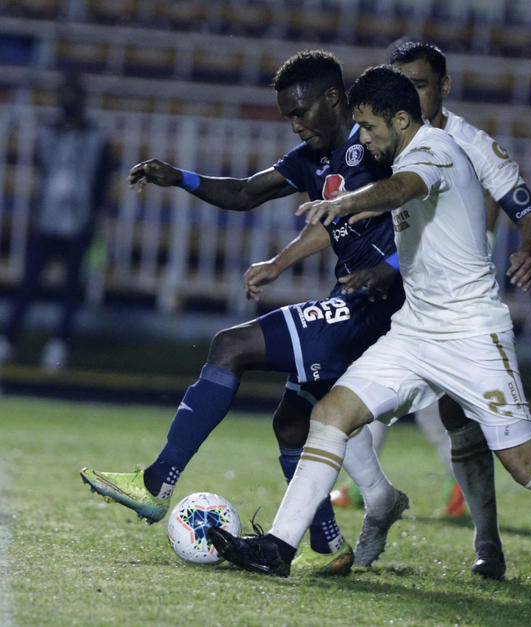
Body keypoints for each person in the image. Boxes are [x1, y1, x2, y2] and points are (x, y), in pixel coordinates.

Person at [207, 65, 531, 601]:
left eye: (369, 127)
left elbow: (406, 187)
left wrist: (346, 203)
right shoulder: (402, 150)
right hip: (415, 331)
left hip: (473, 334)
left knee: (529, 467)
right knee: (331, 413)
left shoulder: (436, 150)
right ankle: (278, 549)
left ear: (401, 119)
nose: (361, 137)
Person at [79, 50, 410, 576]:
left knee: (231, 346)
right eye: (288, 117)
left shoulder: (375, 148)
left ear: (333, 98)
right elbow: (245, 192)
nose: (296, 125)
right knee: (292, 423)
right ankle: (330, 548)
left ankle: (155, 482)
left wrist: (390, 267)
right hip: (356, 303)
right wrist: (179, 177)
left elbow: (428, 215)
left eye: (301, 112)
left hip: (376, 308)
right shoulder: (313, 158)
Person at [329, 40, 531, 578]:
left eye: (422, 84)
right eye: (402, 82)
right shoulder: (377, 141)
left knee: (453, 415)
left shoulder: (470, 144)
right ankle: (369, 496)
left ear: (443, 87)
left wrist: (527, 251)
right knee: (348, 390)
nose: (411, 92)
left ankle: (486, 538)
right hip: (395, 292)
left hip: (454, 304)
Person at [0, 73, 113, 371]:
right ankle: (9, 338)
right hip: (48, 220)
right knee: (28, 283)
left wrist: (94, 216)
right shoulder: (49, 132)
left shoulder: (96, 136)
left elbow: (102, 179)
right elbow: (43, 168)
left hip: (79, 222)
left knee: (71, 289)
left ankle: (59, 344)